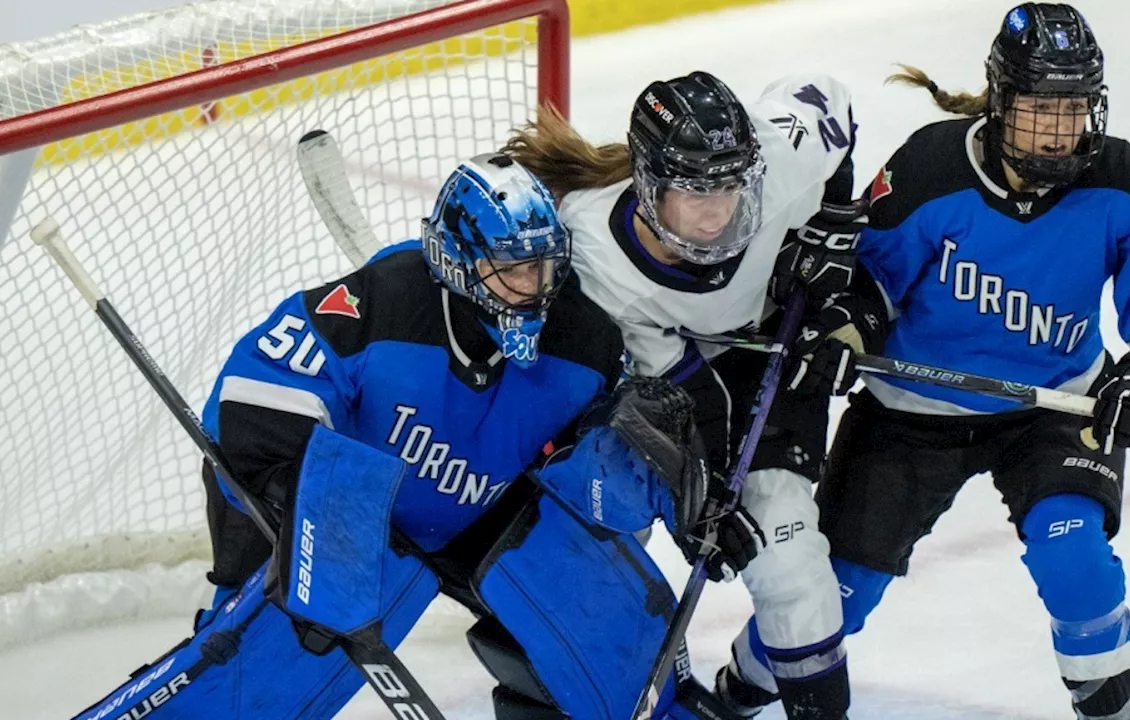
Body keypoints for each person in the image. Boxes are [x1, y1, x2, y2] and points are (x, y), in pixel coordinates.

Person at [70, 154, 744, 720]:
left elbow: (587, 475)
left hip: (473, 513)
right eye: (514, 270)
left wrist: (678, 491)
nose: (534, 289)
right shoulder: (380, 302)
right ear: (458, 261)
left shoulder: (585, 340)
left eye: (544, 267)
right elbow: (255, 395)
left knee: (608, 623)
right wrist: (310, 521)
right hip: (335, 505)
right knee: (262, 657)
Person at [799, 4, 1130, 720]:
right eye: (1039, 109)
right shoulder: (930, 170)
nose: (1060, 130)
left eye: (1075, 109)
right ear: (999, 102)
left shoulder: (1125, 185)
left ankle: (1108, 707)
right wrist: (844, 333)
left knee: (1074, 558)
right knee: (833, 595)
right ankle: (735, 693)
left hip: (1052, 407)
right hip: (909, 415)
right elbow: (867, 285)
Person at [504, 71, 888, 719]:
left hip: (771, 346)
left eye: (728, 189)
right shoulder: (596, 253)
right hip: (676, 383)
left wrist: (831, 225)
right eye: (693, 194)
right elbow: (679, 388)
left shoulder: (778, 157)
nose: (717, 213)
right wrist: (704, 493)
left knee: (793, 573)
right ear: (648, 185)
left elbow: (832, 102)